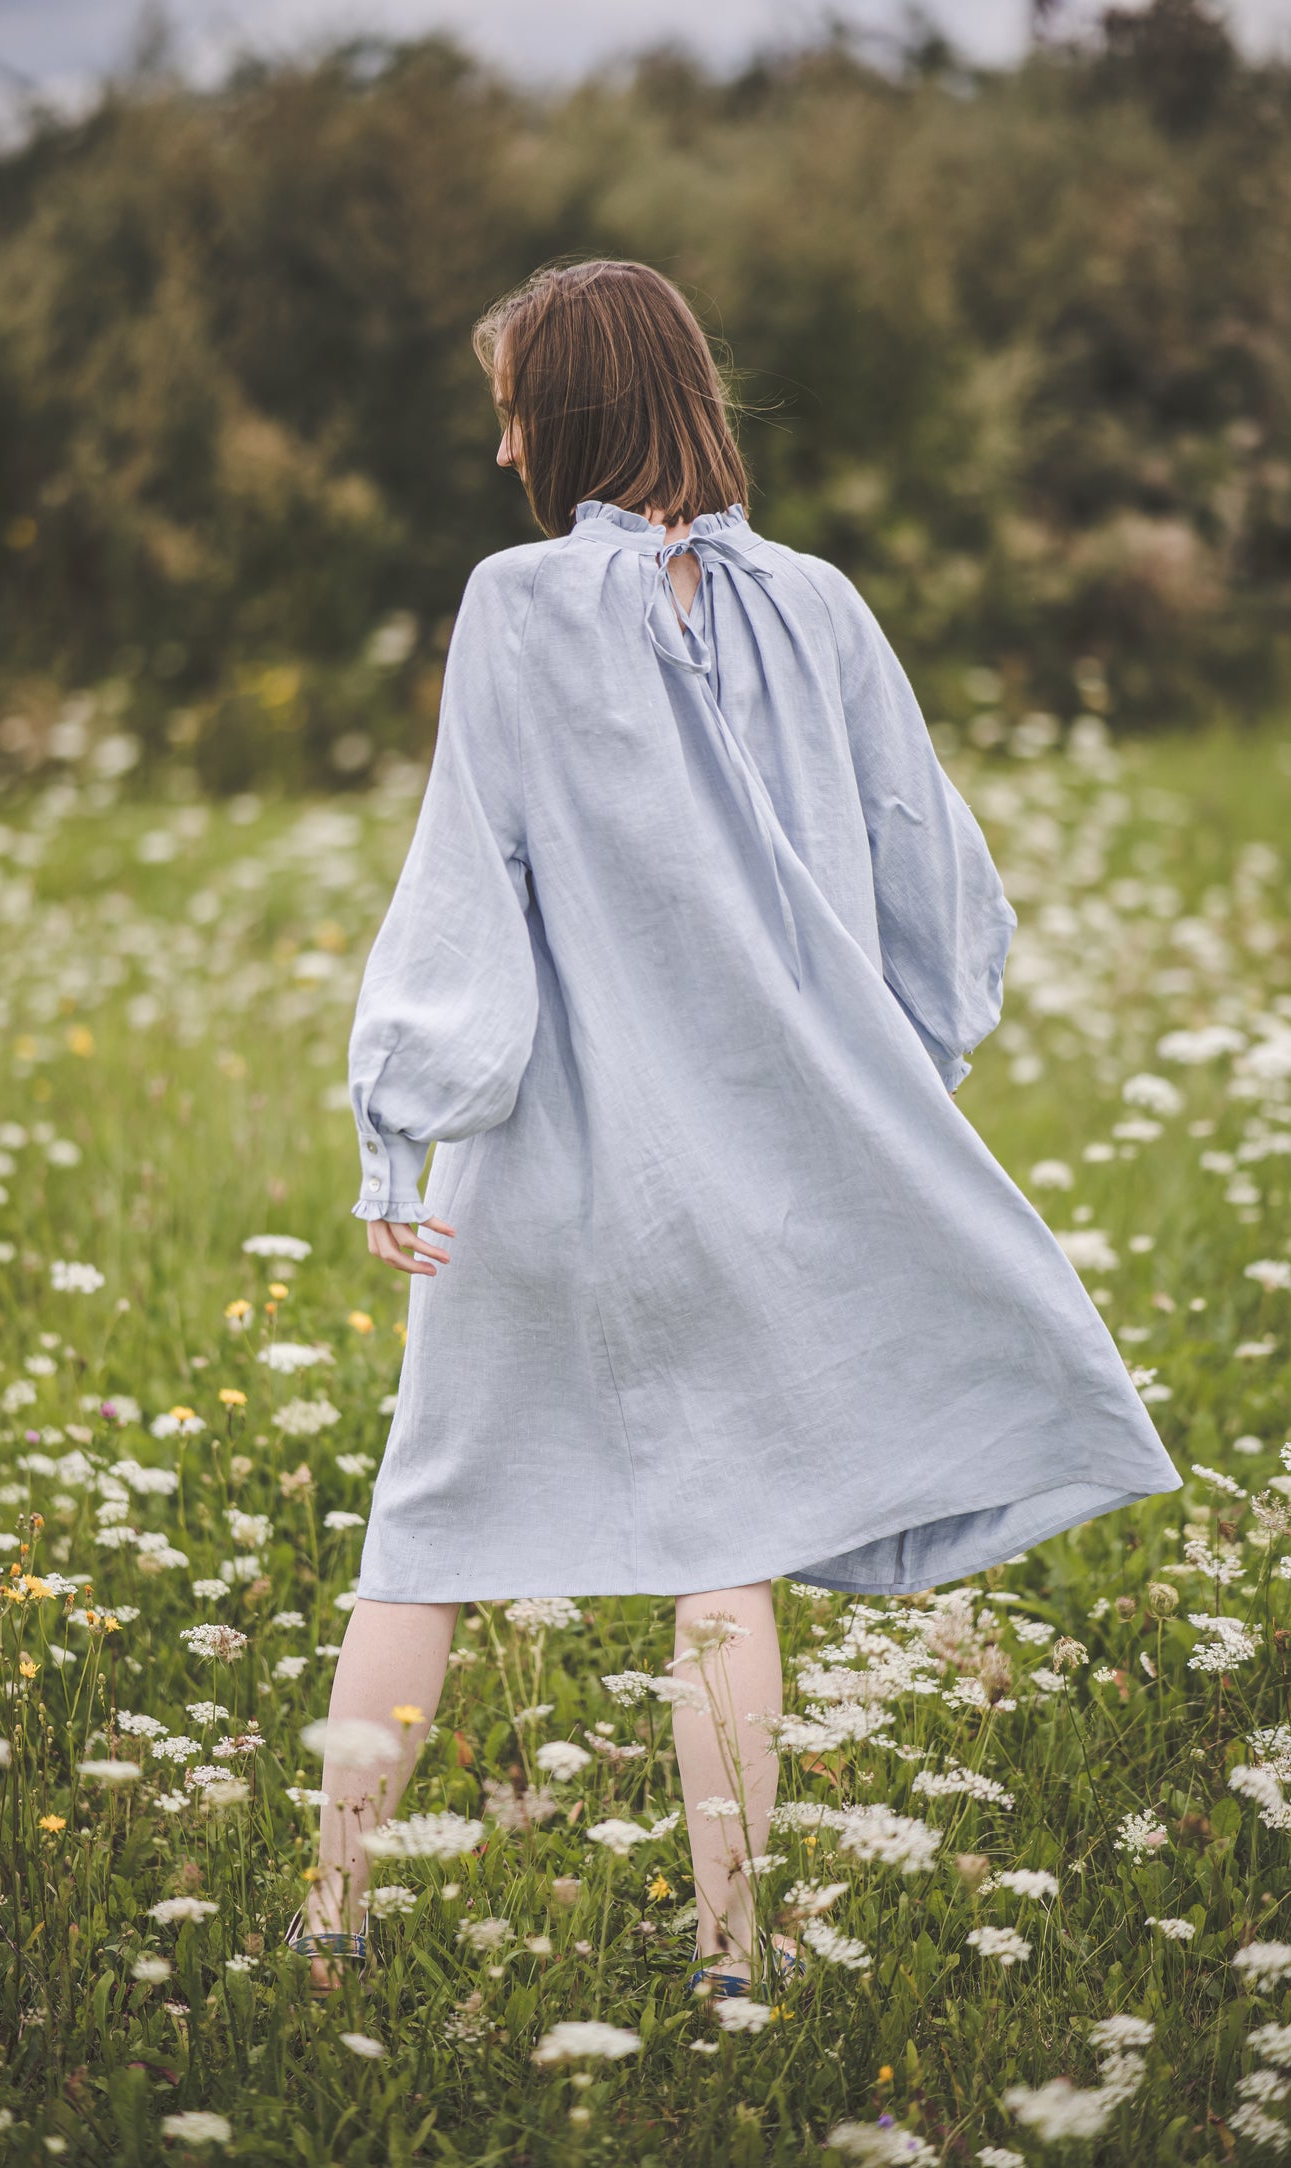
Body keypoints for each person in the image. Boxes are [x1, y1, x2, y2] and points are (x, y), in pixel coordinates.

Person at [286, 258, 1182, 1998]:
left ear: (574, 415)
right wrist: (871, 1089)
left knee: (438, 1528)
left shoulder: (518, 608)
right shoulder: (828, 610)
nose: (500, 453)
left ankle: (327, 1924)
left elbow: (472, 883)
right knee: (725, 1555)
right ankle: (732, 1954)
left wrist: (402, 1127)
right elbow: (935, 892)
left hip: (548, 1170)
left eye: (512, 411)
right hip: (771, 1174)